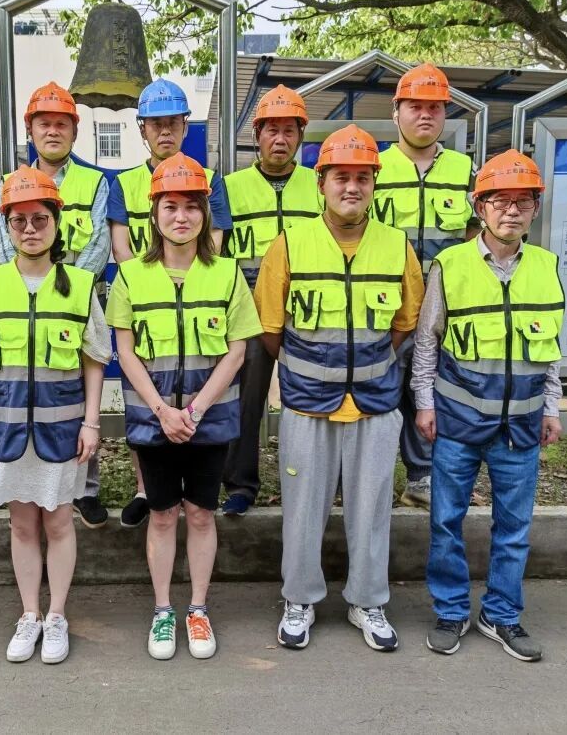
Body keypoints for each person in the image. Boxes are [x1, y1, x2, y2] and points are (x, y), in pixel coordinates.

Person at [255, 126, 424, 652]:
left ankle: (367, 601)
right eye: (340, 177)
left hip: (375, 403)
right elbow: (270, 327)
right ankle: (299, 598)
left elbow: (405, 321)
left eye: (362, 178)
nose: (351, 187)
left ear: (374, 184)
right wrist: (315, 369)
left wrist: (363, 367)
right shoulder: (289, 245)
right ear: (321, 183)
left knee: (372, 509)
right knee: (302, 509)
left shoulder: (397, 246)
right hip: (308, 403)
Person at [107, 153, 261, 661]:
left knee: (199, 514)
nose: (181, 216)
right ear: (154, 215)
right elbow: (125, 351)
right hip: (154, 423)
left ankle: (197, 608)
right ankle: (162, 611)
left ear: (205, 214)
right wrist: (163, 412)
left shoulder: (228, 274)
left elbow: (236, 351)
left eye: (192, 206)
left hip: (207, 422)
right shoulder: (130, 276)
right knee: (161, 515)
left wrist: (192, 413)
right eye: (170, 206)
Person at [413, 150, 564, 662]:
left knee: (514, 529)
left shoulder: (546, 267)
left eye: (523, 202)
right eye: (500, 201)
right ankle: (451, 610)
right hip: (458, 423)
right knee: (445, 521)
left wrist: (552, 408)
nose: (511, 211)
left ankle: (501, 614)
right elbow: (427, 342)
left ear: (535, 209)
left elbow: (551, 349)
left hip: (521, 426)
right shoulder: (451, 264)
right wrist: (425, 403)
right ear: (480, 207)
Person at [0, 166, 109, 665]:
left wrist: (92, 422)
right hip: (6, 429)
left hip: (61, 429)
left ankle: (57, 615)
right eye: (19, 220)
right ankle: (30, 614)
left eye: (39, 219)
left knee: (60, 522)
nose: (29, 228)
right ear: (7, 226)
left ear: (56, 223)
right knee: (22, 525)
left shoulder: (81, 284)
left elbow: (94, 360)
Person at [108, 78, 234, 529]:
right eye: (155, 123)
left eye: (173, 123)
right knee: (146, 393)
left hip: (198, 297)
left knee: (199, 382)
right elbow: (121, 248)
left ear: (185, 126)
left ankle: (199, 487)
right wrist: (149, 288)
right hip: (143, 300)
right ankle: (146, 488)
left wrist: (187, 284)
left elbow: (214, 245)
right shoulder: (124, 183)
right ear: (142, 128)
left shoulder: (211, 182)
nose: (165, 131)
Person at [0, 82, 112, 529]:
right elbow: (5, 243)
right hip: (21, 300)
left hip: (77, 301)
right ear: (30, 130)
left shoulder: (95, 182)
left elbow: (99, 243)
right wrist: (29, 285)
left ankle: (86, 489)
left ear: (74, 131)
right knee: (29, 387)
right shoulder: (11, 184)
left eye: (62, 123)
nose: (53, 131)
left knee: (79, 392)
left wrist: (69, 287)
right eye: (44, 123)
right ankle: (24, 480)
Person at [372, 63, 474, 510]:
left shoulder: (464, 170)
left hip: (441, 303)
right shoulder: (373, 167)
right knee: (380, 389)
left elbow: (475, 237)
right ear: (396, 112)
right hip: (384, 302)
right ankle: (367, 479)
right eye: (415, 106)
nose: (425, 115)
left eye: (435, 107)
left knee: (429, 390)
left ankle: (421, 477)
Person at [220, 85, 322, 516]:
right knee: (246, 399)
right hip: (250, 307)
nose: (280, 139)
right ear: (257, 135)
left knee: (310, 399)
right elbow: (217, 253)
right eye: (271, 130)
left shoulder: (318, 185)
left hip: (307, 308)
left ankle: (312, 482)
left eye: (289, 131)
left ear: (300, 136)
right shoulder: (229, 187)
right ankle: (240, 484)